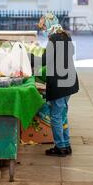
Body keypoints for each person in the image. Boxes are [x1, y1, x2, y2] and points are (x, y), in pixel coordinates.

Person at [36, 13, 80, 157]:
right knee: (62, 114)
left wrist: (24, 57)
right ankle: (66, 145)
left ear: (49, 24)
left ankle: (60, 147)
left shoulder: (54, 39)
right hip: (69, 82)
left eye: (43, 26)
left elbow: (43, 61)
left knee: (56, 115)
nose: (43, 30)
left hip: (60, 84)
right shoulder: (65, 36)